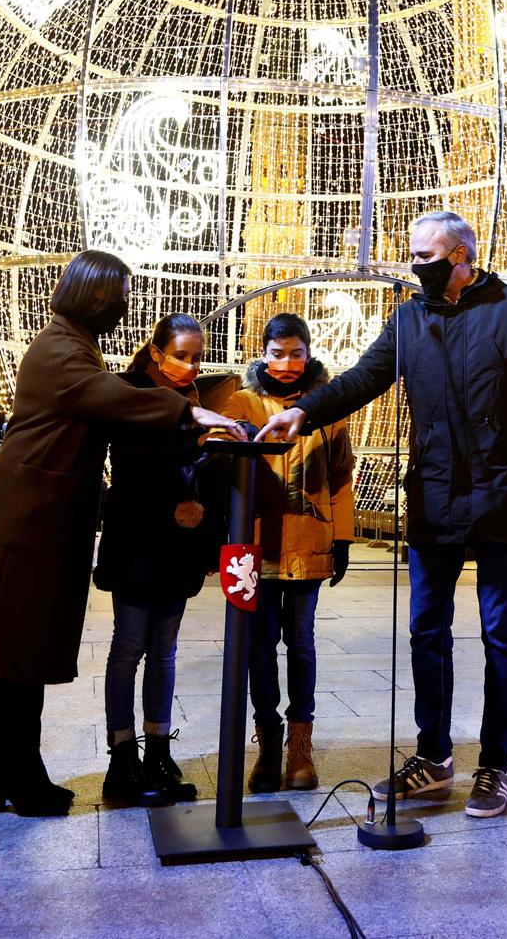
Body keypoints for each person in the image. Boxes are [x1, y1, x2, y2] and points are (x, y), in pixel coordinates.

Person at [255, 211, 507, 821]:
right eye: (412, 256)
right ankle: (434, 757)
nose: (414, 268)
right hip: (433, 497)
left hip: (504, 495)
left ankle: (495, 766)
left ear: (460, 257)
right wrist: (306, 413)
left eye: (424, 258)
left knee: (501, 634)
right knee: (426, 631)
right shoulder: (409, 319)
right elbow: (366, 377)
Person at [0, 250, 239, 818]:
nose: (124, 307)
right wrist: (191, 414)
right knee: (17, 648)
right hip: (30, 516)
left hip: (41, 512)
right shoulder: (64, 350)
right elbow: (109, 397)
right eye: (118, 296)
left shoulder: (71, 343)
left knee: (24, 647)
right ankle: (17, 773)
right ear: (94, 295)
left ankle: (12, 770)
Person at [216, 312, 355, 793]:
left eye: (297, 353)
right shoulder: (241, 401)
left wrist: (342, 538)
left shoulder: (327, 406)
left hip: (308, 541)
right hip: (253, 544)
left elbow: (340, 476)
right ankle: (268, 745)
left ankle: (300, 748)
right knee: (258, 647)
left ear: (309, 353)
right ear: (263, 352)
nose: (288, 362)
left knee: (301, 643)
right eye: (278, 353)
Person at [95, 313, 226, 809]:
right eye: (180, 355)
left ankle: (157, 750)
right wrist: (175, 498)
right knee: (128, 647)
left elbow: (202, 473)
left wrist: (206, 522)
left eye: (196, 357)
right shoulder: (130, 390)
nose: (190, 366)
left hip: (178, 543)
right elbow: (130, 465)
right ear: (156, 351)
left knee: (166, 649)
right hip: (138, 539)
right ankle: (121, 756)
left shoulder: (196, 399)